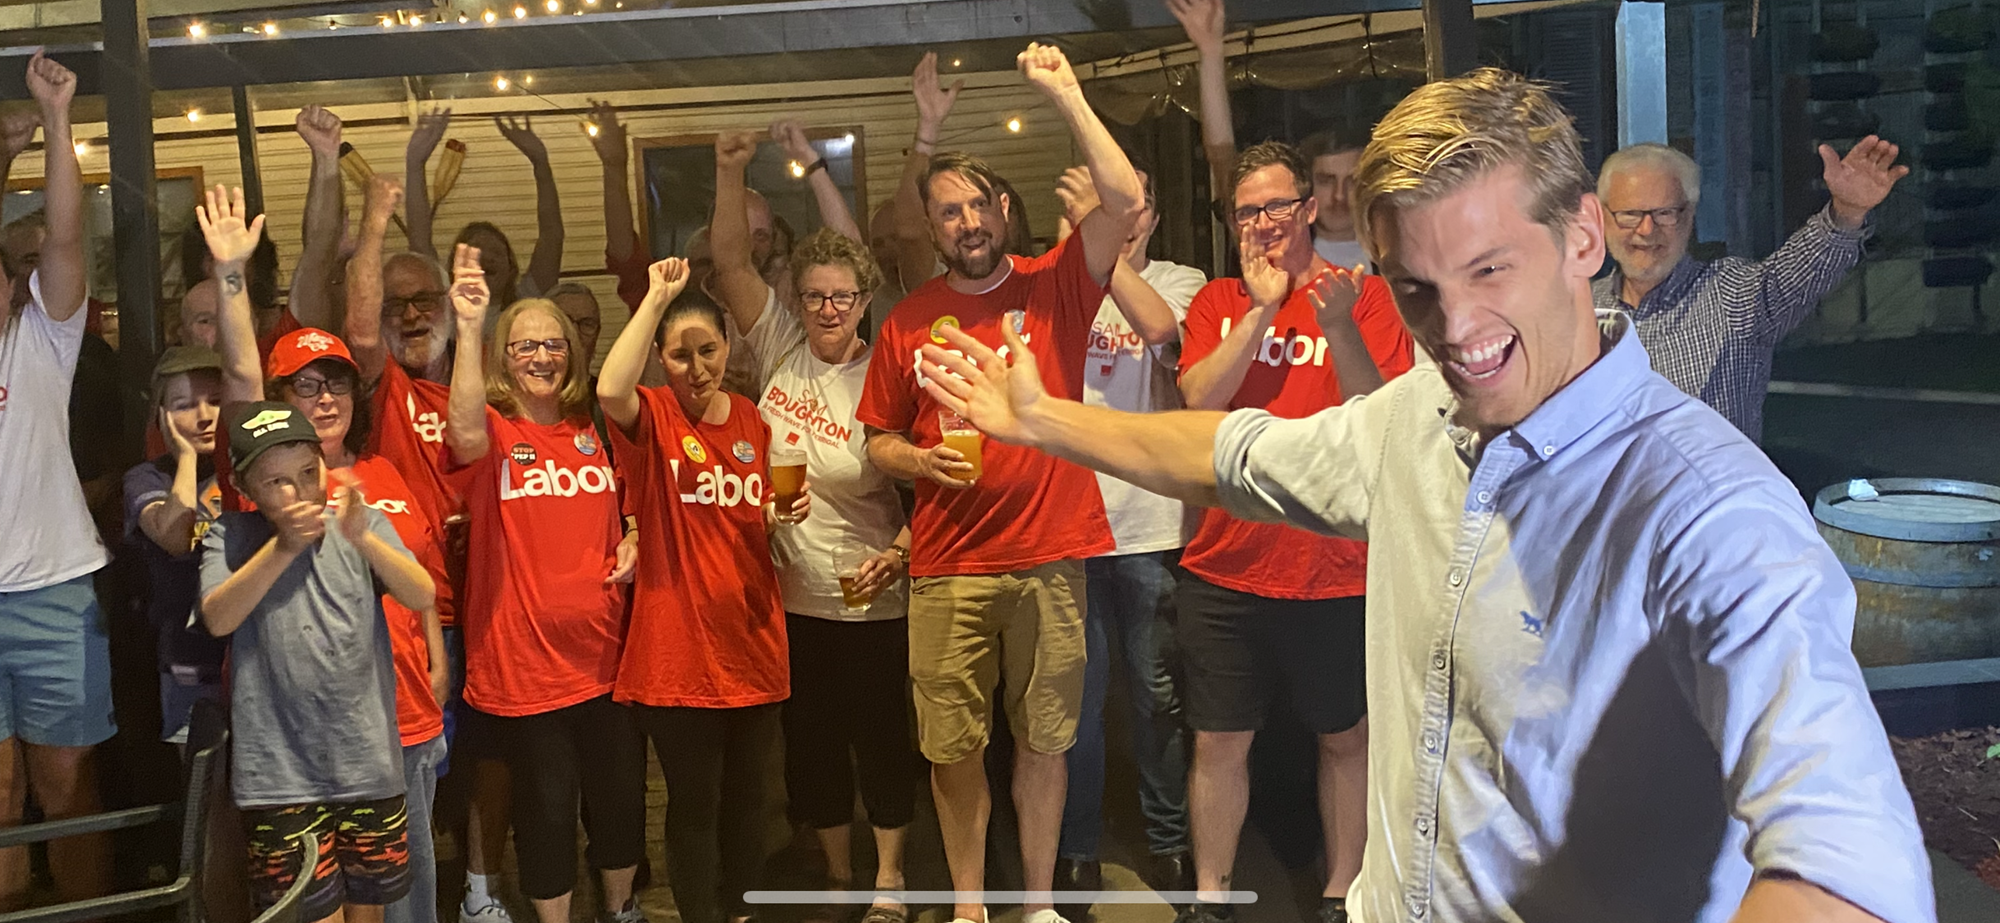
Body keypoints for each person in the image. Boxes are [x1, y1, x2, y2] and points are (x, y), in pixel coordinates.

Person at [916, 66, 1937, 923]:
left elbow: (1845, 861)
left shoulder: (1708, 509)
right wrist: (1045, 419)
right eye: (1417, 288)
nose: (1455, 328)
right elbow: (1229, 452)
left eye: (1489, 268)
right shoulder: (1414, 419)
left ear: (1583, 238)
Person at [858, 42, 1146, 923]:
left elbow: (1126, 200)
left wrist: (1066, 92)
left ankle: (1036, 904)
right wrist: (916, 460)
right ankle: (974, 908)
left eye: (976, 206)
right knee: (953, 748)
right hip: (948, 562)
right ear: (933, 228)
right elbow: (876, 439)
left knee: (1046, 740)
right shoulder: (907, 320)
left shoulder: (1057, 282)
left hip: (1054, 551)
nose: (965, 224)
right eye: (947, 214)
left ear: (1002, 209)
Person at [200, 183, 454, 923]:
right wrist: (231, 275)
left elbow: (418, 587)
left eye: (334, 383)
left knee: (387, 904)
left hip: (382, 733)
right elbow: (245, 381)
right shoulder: (248, 502)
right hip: (288, 759)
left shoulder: (367, 487)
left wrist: (435, 660)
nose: (323, 397)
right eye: (303, 387)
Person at [1177, 141, 1411, 923]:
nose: (1265, 223)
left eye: (1280, 205)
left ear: (1309, 207)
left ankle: (1341, 891)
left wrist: (1334, 322)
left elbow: (1379, 411)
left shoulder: (1365, 297)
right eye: (1249, 210)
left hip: (1335, 565)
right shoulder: (1215, 302)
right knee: (1218, 742)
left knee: (1345, 737)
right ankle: (1210, 897)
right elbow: (1197, 401)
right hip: (1225, 564)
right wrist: (1262, 310)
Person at [710, 129, 916, 923]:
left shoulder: (886, 370)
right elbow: (729, 262)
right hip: (790, 598)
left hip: (872, 595)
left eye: (844, 296)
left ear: (865, 301)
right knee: (814, 746)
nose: (829, 310)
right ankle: (838, 878)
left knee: (881, 741)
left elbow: (928, 495)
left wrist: (898, 557)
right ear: (796, 300)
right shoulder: (782, 346)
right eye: (815, 295)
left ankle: (890, 880)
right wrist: (730, 170)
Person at [445, 245, 647, 923]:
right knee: (548, 811)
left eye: (554, 343)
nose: (542, 356)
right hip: (524, 668)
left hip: (608, 660)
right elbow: (463, 429)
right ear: (505, 354)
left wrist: (635, 536)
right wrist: (470, 325)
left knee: (619, 805)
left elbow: (637, 505)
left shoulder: (594, 429)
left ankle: (620, 911)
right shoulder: (494, 433)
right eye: (526, 344)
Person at [597, 251, 798, 923]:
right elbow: (607, 390)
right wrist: (655, 301)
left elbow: (751, 512)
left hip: (753, 643)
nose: (697, 367)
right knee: (694, 803)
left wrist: (776, 513)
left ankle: (740, 912)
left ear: (728, 345)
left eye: (707, 350)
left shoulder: (749, 417)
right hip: (678, 654)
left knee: (748, 802)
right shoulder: (652, 413)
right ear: (660, 357)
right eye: (680, 356)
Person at [345, 174, 516, 923]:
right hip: (410, 619)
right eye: (397, 306)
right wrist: (375, 222)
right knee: (408, 775)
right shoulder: (383, 388)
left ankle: (479, 889)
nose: (412, 316)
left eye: (425, 302)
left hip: (493, 607)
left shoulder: (494, 387)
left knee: (490, 764)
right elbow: (356, 327)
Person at [199, 399, 433, 923]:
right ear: (244, 487)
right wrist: (282, 547)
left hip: (366, 760)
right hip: (278, 774)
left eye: (308, 473)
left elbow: (421, 593)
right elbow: (219, 617)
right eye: (276, 482)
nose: (299, 492)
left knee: (368, 911)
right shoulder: (231, 536)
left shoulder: (360, 521)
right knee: (308, 914)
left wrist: (364, 537)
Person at [1046, 164, 1205, 909]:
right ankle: (1076, 850)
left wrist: (1097, 242)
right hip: (1070, 522)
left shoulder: (1182, 279)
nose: (1123, 215)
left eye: (1132, 204)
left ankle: (1168, 837)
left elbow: (1163, 333)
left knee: (1156, 695)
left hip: (1150, 522)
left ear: (1154, 212)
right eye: (1111, 206)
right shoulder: (1059, 278)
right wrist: (1074, 253)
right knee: (1075, 703)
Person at [0, 50, 113, 911]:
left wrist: (59, 120)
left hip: (53, 590)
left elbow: (67, 234)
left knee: (69, 794)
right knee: (0, 799)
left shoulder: (43, 340)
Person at [1592, 137, 1907, 443]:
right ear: (1602, 218)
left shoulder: (1727, 294)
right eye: (1630, 214)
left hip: (1708, 495)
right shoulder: (1580, 306)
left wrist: (1847, 212)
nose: (1646, 230)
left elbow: (1793, 277)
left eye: (1664, 213)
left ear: (1688, 217)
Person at [122, 346, 229, 747]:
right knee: (204, 789)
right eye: (184, 405)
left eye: (216, 401)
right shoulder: (147, 478)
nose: (204, 416)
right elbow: (175, 539)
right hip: (189, 661)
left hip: (252, 657)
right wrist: (185, 458)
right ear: (162, 414)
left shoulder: (253, 470)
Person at [408, 111, 565, 307]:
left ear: (511, 269)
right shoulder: (444, 306)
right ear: (455, 267)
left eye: (497, 253)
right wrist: (415, 164)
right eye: (477, 253)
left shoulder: (525, 302)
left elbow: (552, 237)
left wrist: (540, 162)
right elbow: (419, 242)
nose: (487, 259)